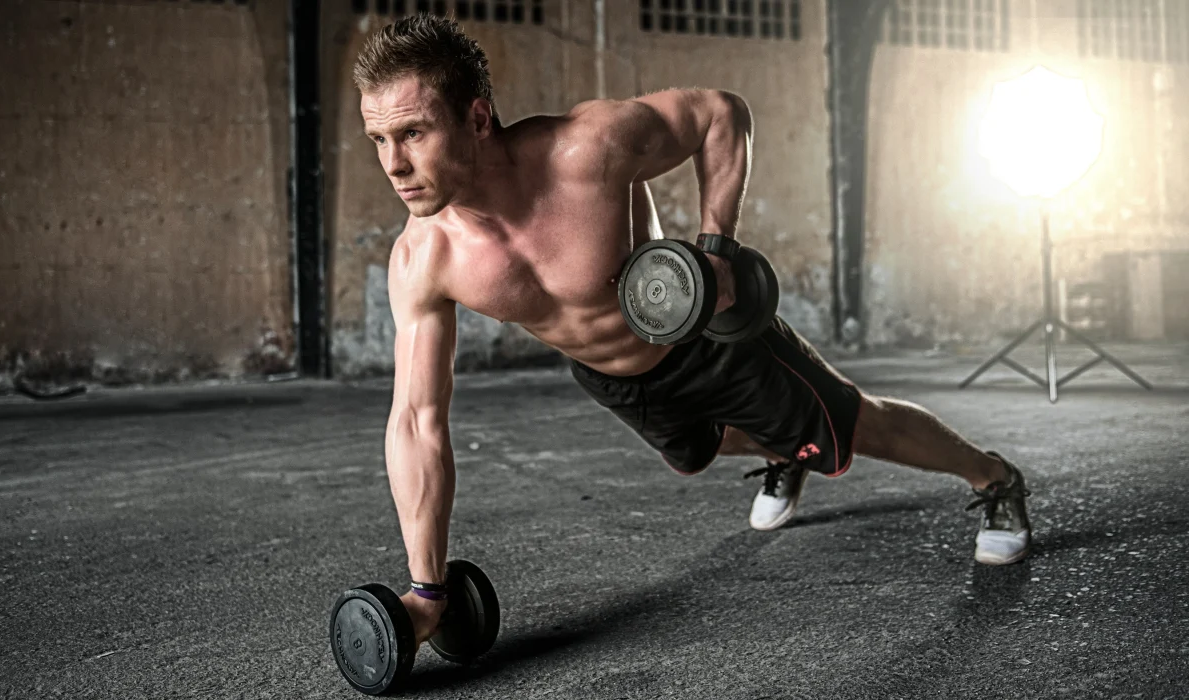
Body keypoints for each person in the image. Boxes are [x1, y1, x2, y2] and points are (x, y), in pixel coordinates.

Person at [354, 14, 1032, 649]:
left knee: (847, 425)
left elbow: (720, 114)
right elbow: (417, 422)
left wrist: (717, 248)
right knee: (694, 452)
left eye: (413, 132)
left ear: (476, 117)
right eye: (379, 139)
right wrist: (425, 588)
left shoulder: (587, 150)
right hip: (611, 377)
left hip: (702, 339)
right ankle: (781, 453)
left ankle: (993, 479)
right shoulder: (423, 260)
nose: (392, 165)